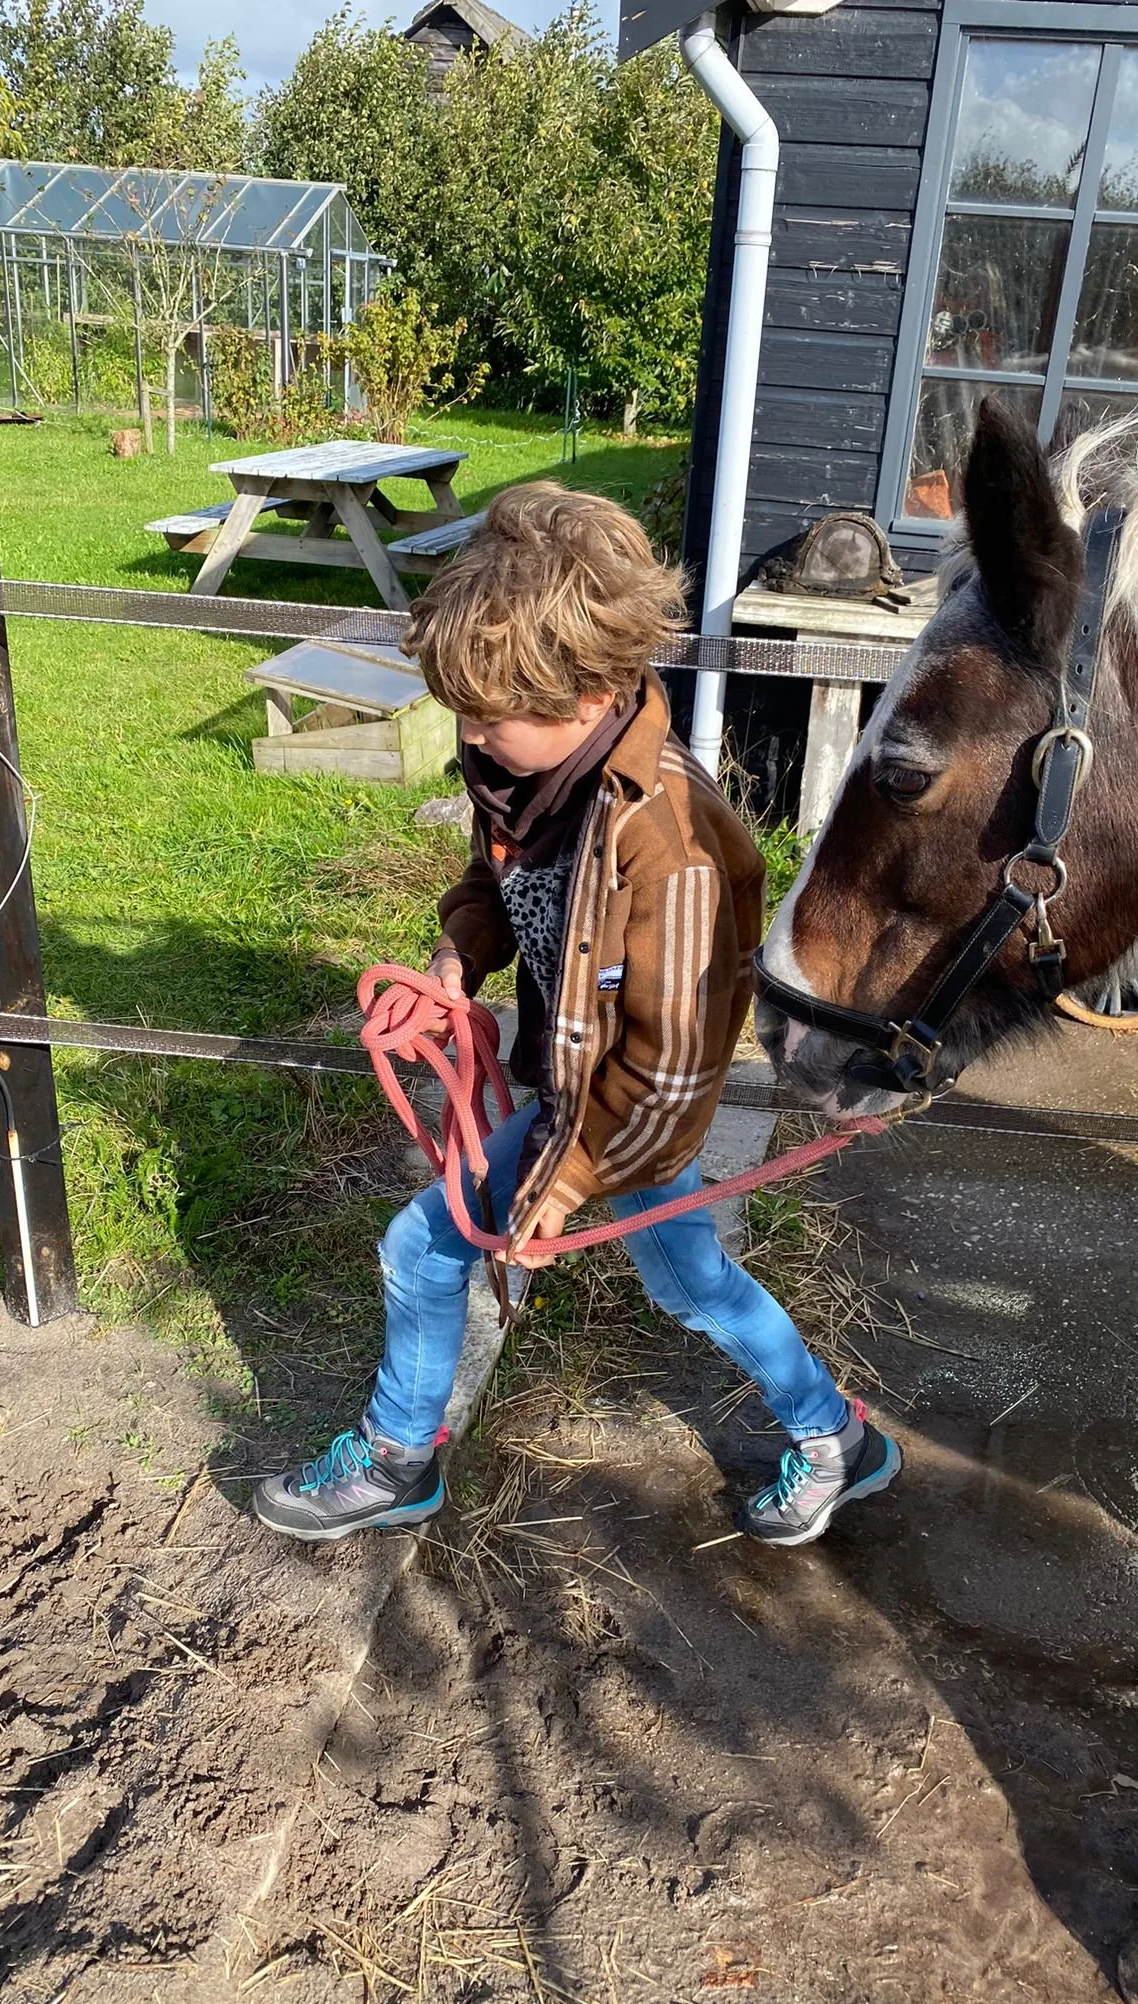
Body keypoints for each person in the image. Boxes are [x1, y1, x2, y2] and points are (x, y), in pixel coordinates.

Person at [252, 483, 901, 1549]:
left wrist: (567, 1182)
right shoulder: (527, 772)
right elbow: (493, 879)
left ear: (592, 689)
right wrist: (458, 950)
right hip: (572, 1092)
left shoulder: (675, 846)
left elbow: (671, 1077)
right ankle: (405, 1447)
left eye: (487, 713)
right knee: (651, 1275)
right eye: (458, 706)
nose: (468, 734)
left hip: (625, 1118)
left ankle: (831, 1435)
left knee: (608, 1275)